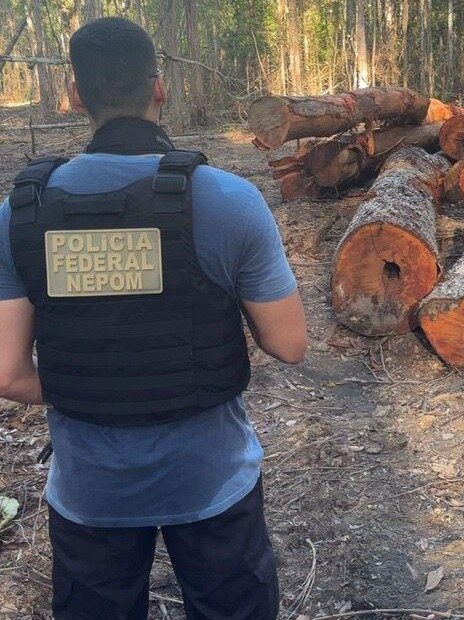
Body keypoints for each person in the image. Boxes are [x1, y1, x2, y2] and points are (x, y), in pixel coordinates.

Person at [0, 16, 308, 620]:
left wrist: (92, 387)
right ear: (160, 88)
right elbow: (290, 344)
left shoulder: (20, 215)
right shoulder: (228, 201)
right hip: (212, 481)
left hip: (90, 492)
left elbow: (8, 374)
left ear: (76, 95)